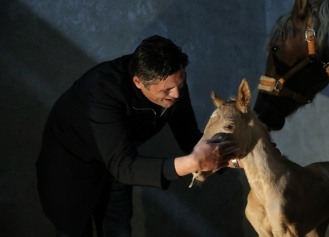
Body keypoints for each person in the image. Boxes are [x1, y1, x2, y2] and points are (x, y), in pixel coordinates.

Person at [36, 35, 238, 237]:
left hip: (119, 164)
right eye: (167, 89)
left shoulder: (174, 86)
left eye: (181, 83)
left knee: (120, 231)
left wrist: (237, 158)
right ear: (138, 82)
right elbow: (123, 166)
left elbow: (190, 138)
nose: (177, 94)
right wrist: (193, 163)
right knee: (74, 231)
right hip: (71, 169)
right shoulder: (103, 88)